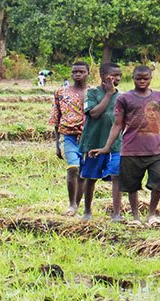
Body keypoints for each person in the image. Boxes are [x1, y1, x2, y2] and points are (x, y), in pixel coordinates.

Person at [88, 65, 160, 226]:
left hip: (156, 149)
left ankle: (152, 214)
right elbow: (117, 125)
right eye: (139, 78)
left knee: (158, 180)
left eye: (145, 78)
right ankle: (136, 217)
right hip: (131, 150)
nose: (142, 81)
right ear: (133, 78)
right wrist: (106, 147)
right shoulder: (124, 99)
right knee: (132, 186)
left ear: (151, 79)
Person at [78, 62, 123, 221]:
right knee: (90, 178)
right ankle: (87, 211)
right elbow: (94, 113)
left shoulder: (122, 97)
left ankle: (116, 213)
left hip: (115, 145)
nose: (117, 78)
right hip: (93, 144)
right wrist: (109, 95)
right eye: (113, 76)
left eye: (119, 76)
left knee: (117, 175)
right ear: (103, 76)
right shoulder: (91, 93)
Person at [48, 61, 89, 216]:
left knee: (83, 173)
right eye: (74, 72)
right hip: (67, 135)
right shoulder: (61, 93)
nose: (77, 75)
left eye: (81, 72)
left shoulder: (94, 93)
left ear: (87, 73)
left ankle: (77, 205)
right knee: (74, 167)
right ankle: (71, 204)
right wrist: (57, 144)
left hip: (88, 137)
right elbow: (55, 118)